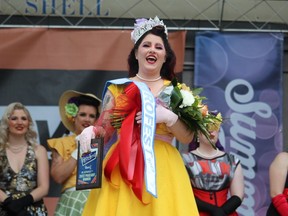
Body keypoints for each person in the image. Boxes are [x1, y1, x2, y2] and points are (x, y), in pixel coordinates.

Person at [78, 16, 199, 216]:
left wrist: (170, 118)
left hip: (164, 168)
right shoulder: (118, 88)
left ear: (165, 56)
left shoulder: (177, 91)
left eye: (159, 47)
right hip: (123, 163)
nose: (152, 50)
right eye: (146, 45)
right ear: (136, 53)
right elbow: (105, 131)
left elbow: (187, 137)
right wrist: (91, 131)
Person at [47, 90, 101, 216]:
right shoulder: (62, 143)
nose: (87, 119)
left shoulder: (105, 144)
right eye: (83, 114)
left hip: (100, 200)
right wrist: (79, 150)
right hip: (73, 201)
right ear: (74, 117)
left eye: (92, 116)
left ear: (97, 120)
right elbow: (58, 176)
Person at [182, 113, 244, 216]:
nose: (211, 131)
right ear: (197, 132)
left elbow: (238, 195)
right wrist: (213, 210)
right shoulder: (184, 160)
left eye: (215, 126)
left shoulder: (232, 161)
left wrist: (223, 212)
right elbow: (183, 194)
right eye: (206, 126)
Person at [0, 102, 49, 216]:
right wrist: (9, 203)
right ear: (7, 122)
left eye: (23, 118)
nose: (20, 122)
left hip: (32, 210)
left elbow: (44, 187)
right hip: (4, 209)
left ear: (29, 123)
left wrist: (23, 202)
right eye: (14, 118)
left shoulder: (39, 150)